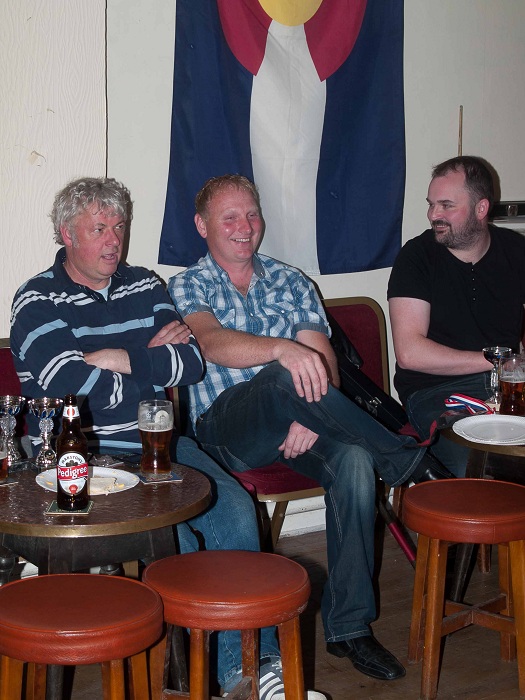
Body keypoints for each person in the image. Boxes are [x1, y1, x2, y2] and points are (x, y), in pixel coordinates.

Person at [9, 177, 322, 700]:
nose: (114, 240)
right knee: (179, 539)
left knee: (234, 514)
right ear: (67, 234)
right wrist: (149, 361)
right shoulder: (37, 298)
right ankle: (201, 669)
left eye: (119, 226)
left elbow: (191, 363)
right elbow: (67, 385)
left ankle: (253, 671)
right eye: (99, 228)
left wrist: (115, 359)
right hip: (78, 458)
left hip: (160, 444)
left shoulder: (144, 284)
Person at [168, 174, 454, 683]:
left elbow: (324, 362)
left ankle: (349, 628)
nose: (244, 226)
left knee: (355, 462)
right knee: (283, 373)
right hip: (225, 431)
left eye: (251, 214)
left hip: (298, 423)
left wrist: (303, 411)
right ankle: (409, 463)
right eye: (229, 217)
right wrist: (284, 354)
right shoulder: (188, 284)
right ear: (201, 225)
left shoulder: (291, 280)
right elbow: (210, 343)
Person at [388, 156, 525, 476]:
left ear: (481, 208)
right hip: (436, 392)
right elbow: (410, 353)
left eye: (446, 205)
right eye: (431, 204)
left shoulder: (516, 250)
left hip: (508, 387)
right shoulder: (416, 257)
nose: (433, 214)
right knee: (481, 467)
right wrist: (497, 361)